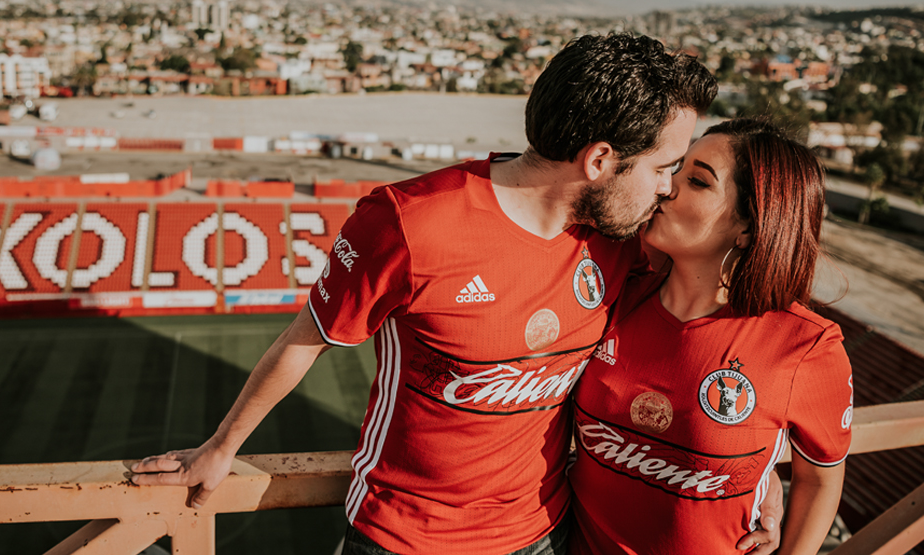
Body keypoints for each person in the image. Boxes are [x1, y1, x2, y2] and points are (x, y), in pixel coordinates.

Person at [131, 35, 781, 554]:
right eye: (665, 167)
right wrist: (220, 448)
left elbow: (724, 326)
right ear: (599, 160)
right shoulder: (408, 222)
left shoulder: (623, 238)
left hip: (543, 533)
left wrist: (765, 468)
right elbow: (307, 340)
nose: (668, 188)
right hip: (404, 538)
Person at [569, 118, 852, 555]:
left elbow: (820, 478)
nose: (666, 187)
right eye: (676, 169)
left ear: (749, 228)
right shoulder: (611, 292)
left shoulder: (805, 347)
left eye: (698, 181)